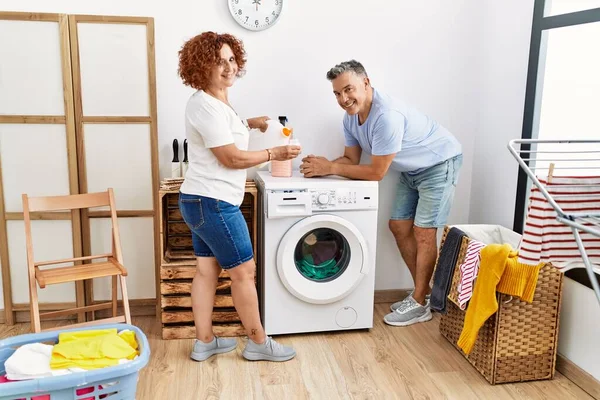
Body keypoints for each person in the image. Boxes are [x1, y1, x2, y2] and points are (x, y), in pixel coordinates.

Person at [300, 60, 462, 327]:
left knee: (424, 232)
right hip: (411, 170)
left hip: (439, 162)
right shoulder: (350, 118)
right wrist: (323, 167)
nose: (343, 98)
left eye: (348, 90)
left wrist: (329, 167)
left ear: (366, 83)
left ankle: (420, 302)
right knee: (398, 226)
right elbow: (351, 159)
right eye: (337, 94)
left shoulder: (387, 117)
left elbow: (376, 172)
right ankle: (423, 294)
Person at [177, 32, 300, 361]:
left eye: (231, 59)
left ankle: (205, 341)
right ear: (201, 66)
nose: (228, 66)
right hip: (214, 202)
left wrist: (249, 123)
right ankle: (259, 343)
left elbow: (221, 133)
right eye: (219, 61)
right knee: (244, 272)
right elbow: (229, 158)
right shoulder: (205, 105)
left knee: (206, 272)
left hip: (200, 200)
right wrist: (274, 152)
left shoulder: (216, 102)